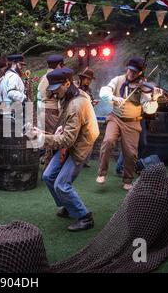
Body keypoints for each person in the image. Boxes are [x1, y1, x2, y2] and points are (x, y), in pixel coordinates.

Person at [33, 68, 99, 232]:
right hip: (70, 141)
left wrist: (41, 138)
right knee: (48, 177)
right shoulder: (71, 92)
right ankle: (69, 206)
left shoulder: (77, 104)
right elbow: (66, 127)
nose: (55, 94)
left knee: (62, 185)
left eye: (57, 89)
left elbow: (68, 140)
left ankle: (85, 217)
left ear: (67, 83)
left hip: (80, 145)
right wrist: (51, 131)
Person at [96, 57, 163, 191]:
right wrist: (114, 98)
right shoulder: (118, 80)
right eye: (130, 70)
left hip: (132, 122)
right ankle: (101, 173)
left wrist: (154, 98)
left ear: (140, 73)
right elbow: (104, 92)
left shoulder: (143, 87)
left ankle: (127, 180)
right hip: (115, 117)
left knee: (131, 153)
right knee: (108, 141)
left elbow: (148, 109)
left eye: (135, 72)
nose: (131, 74)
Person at [77, 67, 97, 168]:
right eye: (87, 79)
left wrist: (93, 103)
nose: (88, 81)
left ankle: (85, 161)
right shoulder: (76, 88)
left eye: (90, 79)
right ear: (82, 78)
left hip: (87, 116)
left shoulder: (89, 90)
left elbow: (90, 103)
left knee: (90, 137)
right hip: (78, 115)